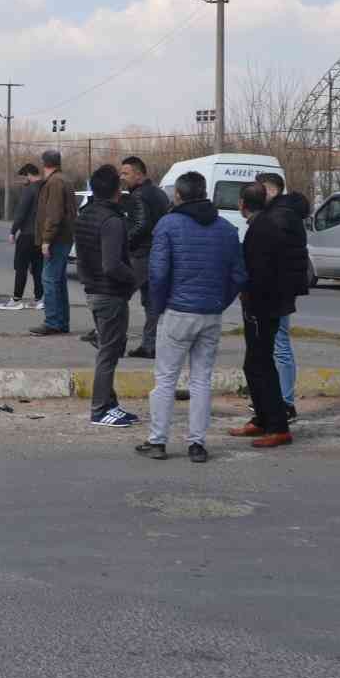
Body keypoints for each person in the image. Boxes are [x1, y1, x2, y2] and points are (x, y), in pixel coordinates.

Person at [136, 171, 246, 463]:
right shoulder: (226, 228)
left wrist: (158, 308)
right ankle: (197, 444)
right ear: (205, 192)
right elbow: (238, 275)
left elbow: (158, 273)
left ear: (179, 195)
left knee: (165, 379)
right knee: (201, 380)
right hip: (210, 313)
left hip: (177, 312)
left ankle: (157, 441)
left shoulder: (168, 224)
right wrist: (220, 302)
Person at [231, 183, 295, 448]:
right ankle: (262, 418)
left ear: (243, 204)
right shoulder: (263, 225)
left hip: (263, 308)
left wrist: (248, 296)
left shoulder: (262, 230)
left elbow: (260, 274)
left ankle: (278, 426)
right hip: (264, 306)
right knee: (253, 364)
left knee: (262, 365)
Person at [76, 164, 140, 427]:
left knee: (108, 349)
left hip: (94, 290)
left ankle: (110, 405)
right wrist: (135, 278)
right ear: (118, 191)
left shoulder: (85, 214)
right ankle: (100, 410)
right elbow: (112, 265)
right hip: (109, 294)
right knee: (109, 353)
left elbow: (81, 258)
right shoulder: (112, 221)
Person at [255, 171, 310, 422]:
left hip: (279, 289)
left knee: (280, 345)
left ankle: (286, 402)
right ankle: (278, 397)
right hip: (282, 287)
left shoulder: (279, 215)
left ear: (271, 189)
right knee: (276, 344)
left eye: (259, 189)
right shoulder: (285, 213)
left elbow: (276, 255)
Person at [119, 156, 171, 359]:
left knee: (118, 297)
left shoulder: (138, 196)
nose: (122, 177)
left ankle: (111, 341)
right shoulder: (159, 193)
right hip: (157, 254)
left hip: (141, 255)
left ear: (139, 175)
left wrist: (124, 243)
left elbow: (141, 226)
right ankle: (149, 346)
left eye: (126, 173)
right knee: (152, 303)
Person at [29, 150, 76, 335]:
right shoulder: (64, 180)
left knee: (49, 280)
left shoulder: (54, 182)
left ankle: (53, 322)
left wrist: (46, 239)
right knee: (58, 282)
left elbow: (54, 214)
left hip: (56, 239)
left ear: (44, 164)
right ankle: (61, 322)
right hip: (63, 238)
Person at [0, 164, 44, 311]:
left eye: (23, 178)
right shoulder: (46, 187)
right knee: (38, 268)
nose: (22, 181)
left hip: (26, 234)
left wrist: (13, 231)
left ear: (28, 175)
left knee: (21, 267)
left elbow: (21, 212)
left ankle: (17, 299)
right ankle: (40, 299)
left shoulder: (29, 189)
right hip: (41, 235)